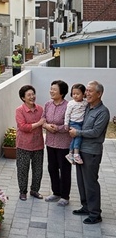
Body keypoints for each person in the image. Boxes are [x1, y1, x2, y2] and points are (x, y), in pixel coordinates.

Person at [70, 81, 109, 224]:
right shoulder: (86, 107)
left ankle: (95, 214)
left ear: (99, 94)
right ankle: (85, 206)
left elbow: (96, 132)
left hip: (91, 151)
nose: (87, 93)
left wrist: (77, 132)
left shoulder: (103, 112)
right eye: (86, 90)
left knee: (90, 182)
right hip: (80, 150)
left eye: (90, 91)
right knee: (81, 181)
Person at [41, 80, 71, 206]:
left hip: (63, 144)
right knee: (52, 168)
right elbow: (42, 119)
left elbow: (69, 125)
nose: (51, 91)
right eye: (51, 88)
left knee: (64, 170)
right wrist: (47, 126)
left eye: (54, 89)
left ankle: (65, 196)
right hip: (50, 143)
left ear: (62, 92)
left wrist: (57, 128)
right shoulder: (48, 104)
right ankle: (56, 192)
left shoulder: (69, 106)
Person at [15, 84, 45, 201]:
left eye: (33, 94)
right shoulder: (20, 110)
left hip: (38, 144)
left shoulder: (40, 109)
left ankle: (35, 190)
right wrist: (38, 124)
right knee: (22, 170)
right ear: (23, 98)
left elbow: (44, 122)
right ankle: (23, 192)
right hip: (23, 145)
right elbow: (23, 127)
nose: (32, 97)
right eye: (29, 95)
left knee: (38, 169)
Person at [64, 83, 87, 165]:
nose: (75, 96)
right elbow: (67, 114)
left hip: (81, 123)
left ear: (83, 94)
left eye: (78, 94)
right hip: (74, 123)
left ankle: (70, 153)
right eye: (73, 94)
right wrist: (66, 124)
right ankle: (76, 154)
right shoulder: (71, 103)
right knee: (78, 137)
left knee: (74, 139)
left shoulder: (85, 102)